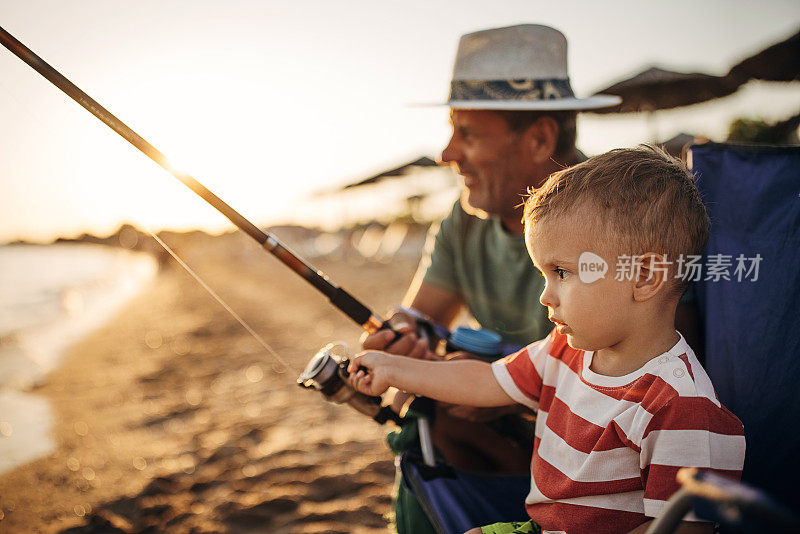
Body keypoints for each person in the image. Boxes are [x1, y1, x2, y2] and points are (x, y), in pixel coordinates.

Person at [352, 145, 746, 534]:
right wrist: (395, 368)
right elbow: (486, 381)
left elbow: (681, 529)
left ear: (644, 277)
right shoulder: (564, 350)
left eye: (561, 272)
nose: (545, 295)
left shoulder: (681, 407)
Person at [362, 23, 628, 533]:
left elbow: (641, 389)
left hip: (597, 459)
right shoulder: (463, 221)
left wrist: (505, 391)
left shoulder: (619, 216)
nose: (447, 153)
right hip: (511, 440)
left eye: (468, 133)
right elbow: (418, 315)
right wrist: (394, 339)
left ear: (540, 138)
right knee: (431, 416)